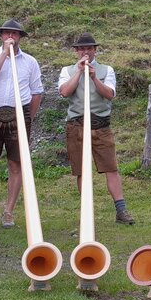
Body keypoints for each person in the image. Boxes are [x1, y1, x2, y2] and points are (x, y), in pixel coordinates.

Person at [58, 33, 135, 225]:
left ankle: (121, 210)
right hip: (76, 126)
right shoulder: (67, 71)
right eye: (81, 49)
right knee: (81, 171)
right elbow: (64, 92)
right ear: (76, 51)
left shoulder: (107, 70)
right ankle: (87, 213)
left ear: (95, 50)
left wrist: (93, 78)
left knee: (111, 168)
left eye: (89, 48)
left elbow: (109, 94)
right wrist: (79, 72)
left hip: (101, 126)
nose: (85, 52)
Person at [0, 19, 44, 231]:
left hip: (19, 117)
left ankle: (8, 211)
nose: (11, 37)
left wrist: (28, 118)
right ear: (1, 36)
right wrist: (5, 53)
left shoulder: (30, 62)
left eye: (15, 34)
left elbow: (36, 92)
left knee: (16, 165)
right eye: (6, 33)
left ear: (20, 37)